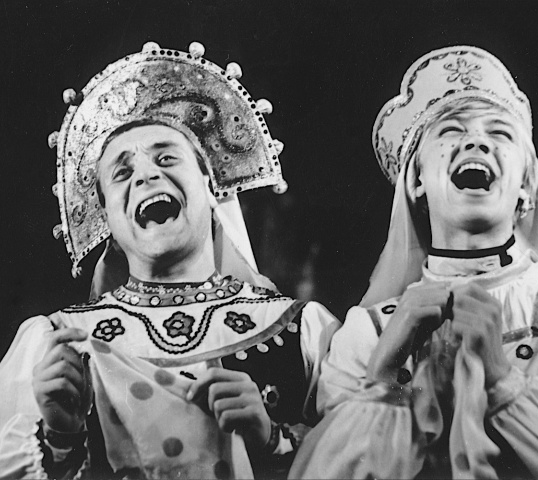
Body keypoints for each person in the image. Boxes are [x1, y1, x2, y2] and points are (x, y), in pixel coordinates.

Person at [290, 45, 538, 479]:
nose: (476, 141)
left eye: (501, 133)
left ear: (526, 186)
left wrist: (505, 383)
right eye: (451, 131)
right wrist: (383, 382)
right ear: (416, 181)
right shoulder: (369, 331)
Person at [0, 41, 339, 479]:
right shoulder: (60, 344)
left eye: (166, 157)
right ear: (109, 219)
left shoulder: (302, 331)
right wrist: (60, 440)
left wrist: (273, 439)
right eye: (122, 172)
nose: (146, 174)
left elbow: (376, 456)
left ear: (210, 187)